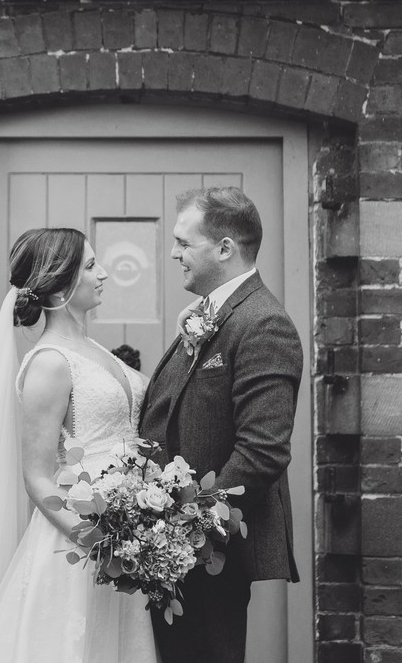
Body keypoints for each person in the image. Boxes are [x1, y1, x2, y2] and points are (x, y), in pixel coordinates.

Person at [0, 228, 158, 663]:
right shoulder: (50, 363)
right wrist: (100, 544)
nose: (103, 273)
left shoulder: (93, 349)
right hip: (80, 550)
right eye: (90, 266)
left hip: (125, 544)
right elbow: (36, 478)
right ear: (60, 283)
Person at [138, 187, 303, 663]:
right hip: (171, 549)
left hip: (209, 553)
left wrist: (184, 533)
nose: (174, 253)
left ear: (225, 248)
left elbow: (262, 451)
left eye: (184, 243)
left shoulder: (263, 323)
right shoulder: (211, 314)